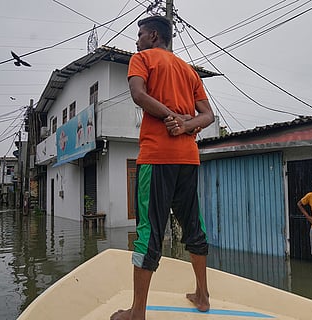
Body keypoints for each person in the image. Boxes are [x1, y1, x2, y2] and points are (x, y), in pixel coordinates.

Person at [110, 15, 215, 320]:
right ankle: (202, 295)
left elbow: (139, 94)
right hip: (188, 159)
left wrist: (173, 119)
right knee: (194, 224)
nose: (137, 40)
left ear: (154, 36)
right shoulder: (189, 70)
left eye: (140, 34)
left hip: (156, 157)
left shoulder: (142, 58)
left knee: (148, 229)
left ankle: (137, 313)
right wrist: (185, 124)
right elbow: (206, 115)